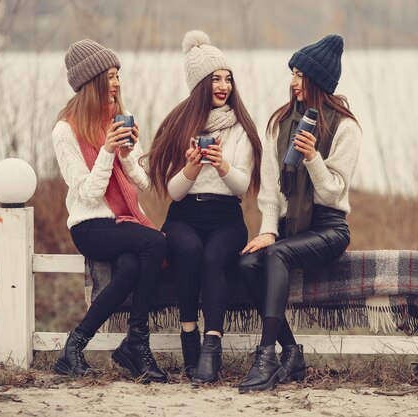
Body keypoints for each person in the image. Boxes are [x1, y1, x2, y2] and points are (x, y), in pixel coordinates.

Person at [237, 34, 361, 393]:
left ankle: (266, 355)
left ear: (316, 81)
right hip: (288, 229)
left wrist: (312, 158)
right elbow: (270, 190)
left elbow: (334, 191)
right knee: (247, 263)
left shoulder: (345, 127)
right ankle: (290, 351)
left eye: (299, 73)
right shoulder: (279, 125)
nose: (292, 81)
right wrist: (267, 230)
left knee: (277, 255)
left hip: (329, 227)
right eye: (292, 72)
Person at [144, 30, 262, 384]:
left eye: (228, 78)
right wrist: (193, 167)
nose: (223, 85)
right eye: (215, 79)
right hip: (185, 217)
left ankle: (212, 345)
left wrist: (221, 163)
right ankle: (188, 335)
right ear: (199, 85)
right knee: (191, 249)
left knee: (214, 257)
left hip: (227, 217)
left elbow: (241, 185)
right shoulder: (179, 125)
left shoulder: (241, 129)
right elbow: (173, 192)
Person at [52, 39, 168, 383]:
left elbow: (144, 185)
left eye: (118, 75)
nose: (117, 83)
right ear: (92, 83)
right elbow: (88, 193)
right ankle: (137, 342)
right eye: (110, 76)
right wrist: (106, 151)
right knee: (156, 243)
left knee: (132, 266)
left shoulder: (118, 121)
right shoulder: (65, 131)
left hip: (121, 221)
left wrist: (127, 153)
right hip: (90, 226)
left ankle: (73, 348)